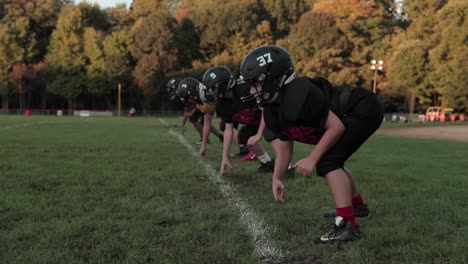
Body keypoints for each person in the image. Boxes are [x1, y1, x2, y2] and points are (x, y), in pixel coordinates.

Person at [239, 45, 383, 244]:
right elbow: (285, 146)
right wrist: (277, 178)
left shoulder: (299, 93)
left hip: (360, 107)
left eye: (256, 83)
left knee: (329, 161)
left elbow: (336, 127)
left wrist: (313, 157)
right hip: (347, 115)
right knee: (334, 160)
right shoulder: (272, 109)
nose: (252, 90)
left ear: (274, 78)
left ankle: (347, 226)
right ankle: (357, 207)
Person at [200, 66, 276, 174]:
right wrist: (224, 156)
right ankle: (268, 163)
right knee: (245, 137)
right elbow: (228, 130)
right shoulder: (221, 105)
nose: (211, 93)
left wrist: (259, 133)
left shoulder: (245, 89)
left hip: (268, 115)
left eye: (213, 89)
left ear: (222, 85)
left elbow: (266, 108)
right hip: (254, 121)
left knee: (270, 131)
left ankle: (287, 166)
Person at [177, 77, 224, 152]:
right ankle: (219, 136)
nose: (190, 100)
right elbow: (206, 120)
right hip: (216, 106)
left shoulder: (205, 93)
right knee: (222, 125)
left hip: (232, 106)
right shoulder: (199, 97)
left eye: (190, 98)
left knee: (226, 124)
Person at [167, 77, 203, 142]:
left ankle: (204, 138)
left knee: (194, 119)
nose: (172, 93)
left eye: (172, 90)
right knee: (200, 120)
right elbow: (186, 110)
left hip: (204, 104)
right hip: (200, 105)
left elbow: (197, 101)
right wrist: (183, 125)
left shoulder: (185, 92)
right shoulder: (182, 95)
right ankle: (220, 136)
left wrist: (192, 112)